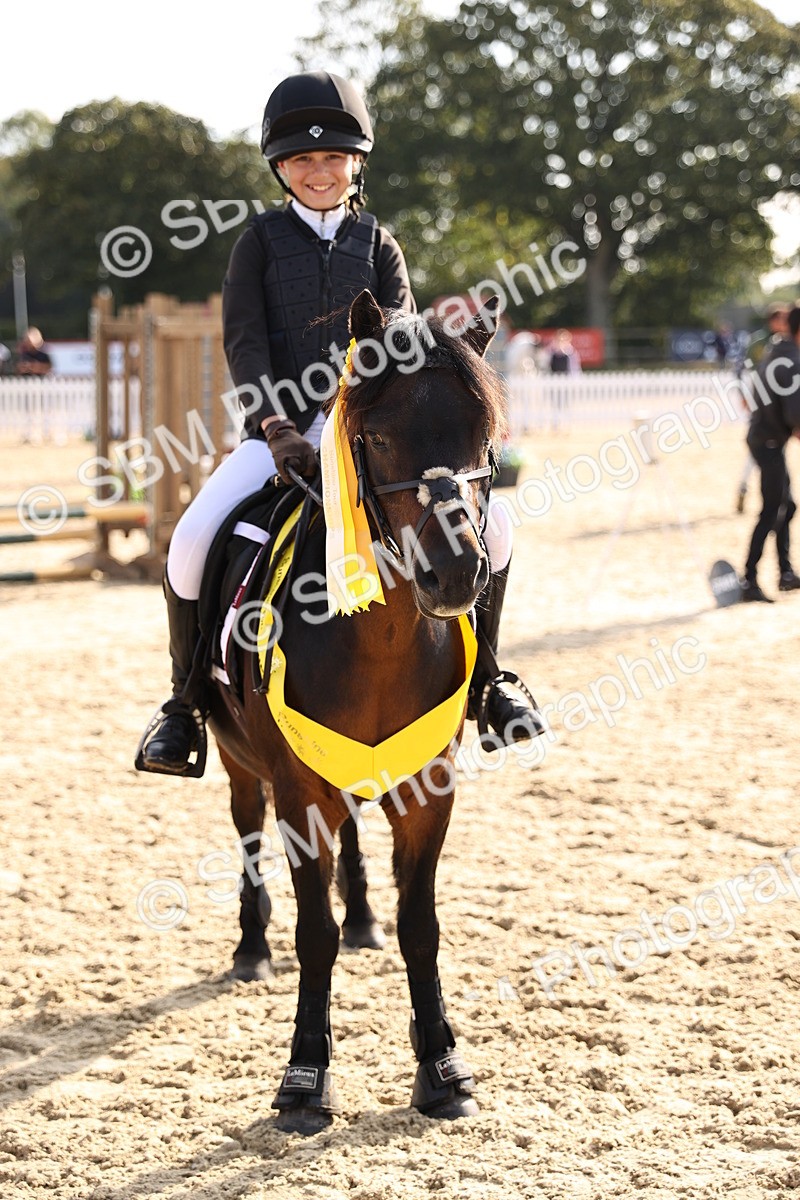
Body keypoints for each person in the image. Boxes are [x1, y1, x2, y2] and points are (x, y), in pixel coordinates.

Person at [138, 71, 543, 776]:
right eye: (302, 161)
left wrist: (361, 426)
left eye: (332, 159)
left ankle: (489, 685)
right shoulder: (257, 244)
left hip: (369, 441)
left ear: (356, 164)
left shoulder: (380, 243)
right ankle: (184, 706)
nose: (318, 172)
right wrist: (276, 425)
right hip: (278, 439)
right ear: (281, 169)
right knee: (192, 539)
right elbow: (246, 344)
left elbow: (402, 344)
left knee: (496, 530)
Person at [740, 303, 800, 603]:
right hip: (769, 442)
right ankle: (749, 579)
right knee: (772, 511)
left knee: (786, 507)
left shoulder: (778, 350)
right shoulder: (791, 359)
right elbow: (796, 418)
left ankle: (786, 573)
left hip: (765, 438)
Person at [735, 303, 790, 513]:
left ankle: (748, 487)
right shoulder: (758, 342)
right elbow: (741, 369)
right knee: (764, 441)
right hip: (763, 399)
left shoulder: (786, 341)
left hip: (777, 400)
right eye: (782, 318)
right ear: (773, 320)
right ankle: (744, 486)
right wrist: (744, 395)